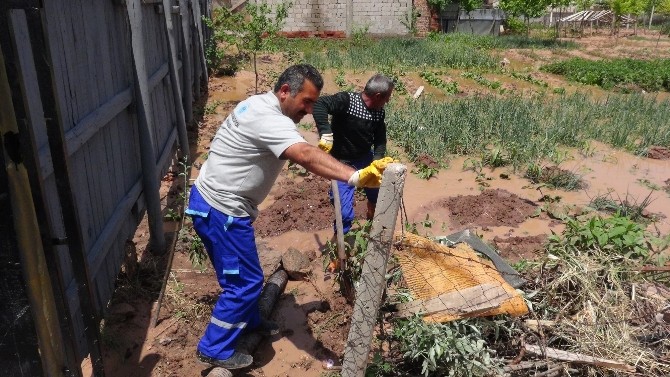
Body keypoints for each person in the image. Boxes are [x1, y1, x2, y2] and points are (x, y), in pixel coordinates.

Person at [185, 64, 390, 370]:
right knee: (243, 284)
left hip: (221, 205)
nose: (310, 110)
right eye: (306, 102)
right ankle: (214, 347)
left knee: (249, 275)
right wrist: (356, 176)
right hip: (222, 211)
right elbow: (305, 155)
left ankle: (250, 322)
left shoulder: (257, 104)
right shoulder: (268, 118)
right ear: (284, 91)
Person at [312, 73, 394, 234]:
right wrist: (326, 132)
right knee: (344, 213)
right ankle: (341, 246)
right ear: (378, 96)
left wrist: (377, 162)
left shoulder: (378, 112)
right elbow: (320, 104)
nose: (388, 101)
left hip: (365, 158)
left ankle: (372, 224)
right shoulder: (347, 101)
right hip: (342, 163)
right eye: (387, 97)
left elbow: (379, 140)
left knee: (377, 195)